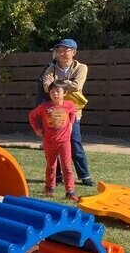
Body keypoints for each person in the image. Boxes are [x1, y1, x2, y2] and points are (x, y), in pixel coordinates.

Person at [38, 39, 93, 187]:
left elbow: (77, 86)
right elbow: (46, 88)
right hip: (54, 113)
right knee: (54, 143)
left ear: (73, 52)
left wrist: (56, 83)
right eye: (59, 50)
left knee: (74, 142)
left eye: (65, 50)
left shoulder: (81, 67)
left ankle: (84, 176)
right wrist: (61, 84)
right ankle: (57, 177)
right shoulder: (51, 68)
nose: (61, 53)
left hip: (72, 112)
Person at [29, 80, 79, 201]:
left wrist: (71, 123)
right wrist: (37, 129)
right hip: (49, 142)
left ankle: (70, 191)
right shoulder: (44, 107)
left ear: (65, 93)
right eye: (52, 92)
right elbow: (32, 116)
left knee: (67, 166)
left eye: (58, 91)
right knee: (51, 166)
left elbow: (73, 112)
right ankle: (49, 188)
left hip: (64, 142)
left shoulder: (69, 105)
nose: (55, 94)